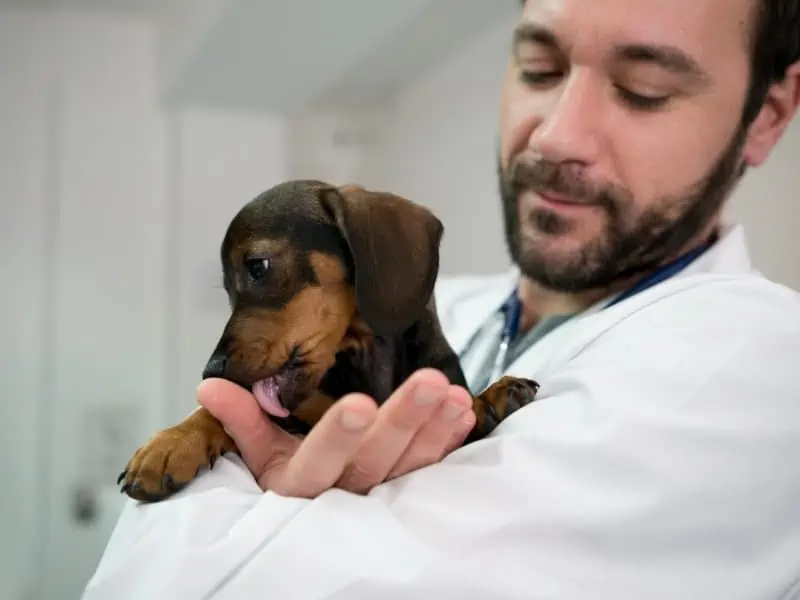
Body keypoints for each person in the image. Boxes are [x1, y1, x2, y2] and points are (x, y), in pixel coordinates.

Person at [82, 0, 800, 598]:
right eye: (538, 68)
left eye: (644, 88)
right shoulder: (424, 307)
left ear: (767, 115)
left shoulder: (762, 362)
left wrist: (254, 508)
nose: (554, 135)